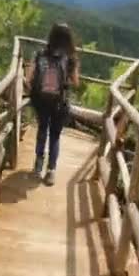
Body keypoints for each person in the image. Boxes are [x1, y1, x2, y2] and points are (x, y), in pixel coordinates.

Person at [25, 23, 80, 186]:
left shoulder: (40, 53)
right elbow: (76, 83)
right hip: (59, 103)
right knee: (55, 136)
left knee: (42, 129)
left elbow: (29, 78)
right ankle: (51, 171)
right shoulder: (70, 59)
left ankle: (38, 164)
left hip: (41, 101)